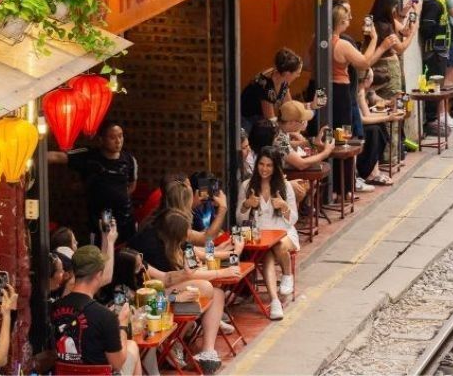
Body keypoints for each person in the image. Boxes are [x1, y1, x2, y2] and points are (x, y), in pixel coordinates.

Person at [132, 210, 235, 372]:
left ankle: (207, 351)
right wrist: (219, 272)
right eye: (185, 233)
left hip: (169, 293)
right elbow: (167, 279)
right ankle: (173, 341)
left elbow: (200, 253)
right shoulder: (152, 248)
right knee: (206, 287)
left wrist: (227, 251)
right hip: (153, 299)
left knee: (218, 293)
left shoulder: (177, 241)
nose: (188, 236)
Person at [51, 246, 141, 375]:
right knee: (132, 347)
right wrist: (122, 325)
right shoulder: (105, 316)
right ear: (99, 274)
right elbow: (117, 363)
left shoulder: (54, 308)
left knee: (131, 345)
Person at [48, 118, 139, 239]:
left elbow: (132, 185)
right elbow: (57, 156)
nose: (118, 141)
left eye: (120, 136)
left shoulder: (129, 160)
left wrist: (117, 197)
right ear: (101, 139)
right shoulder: (89, 157)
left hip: (125, 220)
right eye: (112, 138)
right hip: (98, 222)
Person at [236, 147, 299, 320]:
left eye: (269, 165)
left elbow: (293, 219)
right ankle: (275, 301)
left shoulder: (285, 186)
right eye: (261, 164)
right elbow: (240, 219)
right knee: (267, 256)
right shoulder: (247, 186)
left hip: (284, 232)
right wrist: (246, 205)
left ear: (276, 167)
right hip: (261, 236)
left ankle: (287, 275)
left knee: (278, 244)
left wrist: (284, 207)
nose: (264, 169)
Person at [331, 4, 397, 141]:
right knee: (344, 131)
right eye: (348, 18)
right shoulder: (341, 43)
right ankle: (345, 160)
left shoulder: (319, 40)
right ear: (341, 22)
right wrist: (374, 39)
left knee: (330, 128)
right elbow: (365, 62)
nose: (351, 20)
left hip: (325, 86)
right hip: (340, 89)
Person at [418, 0, 453, 136]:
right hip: (434, 53)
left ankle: (432, 119)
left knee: (436, 86)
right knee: (433, 85)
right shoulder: (433, 3)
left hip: (440, 52)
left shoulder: (438, 0)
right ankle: (430, 121)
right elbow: (426, 29)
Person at [240, 48, 303, 130]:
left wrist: (299, 119)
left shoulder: (283, 79)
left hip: (261, 121)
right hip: (247, 120)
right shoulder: (265, 85)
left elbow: (289, 107)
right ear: (287, 73)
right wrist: (288, 128)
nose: (298, 76)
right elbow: (271, 120)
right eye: (297, 73)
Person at [356, 69, 396, 186]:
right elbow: (362, 119)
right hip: (352, 124)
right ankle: (369, 173)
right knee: (374, 130)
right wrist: (388, 117)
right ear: (366, 80)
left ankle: (375, 170)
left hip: (357, 121)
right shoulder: (357, 91)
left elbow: (366, 113)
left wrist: (388, 114)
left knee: (378, 126)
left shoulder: (361, 90)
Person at [275, 99, 336, 172]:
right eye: (302, 121)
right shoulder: (278, 139)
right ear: (291, 122)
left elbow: (287, 144)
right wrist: (326, 152)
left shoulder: (280, 129)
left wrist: (311, 142)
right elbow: (301, 164)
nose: (304, 123)